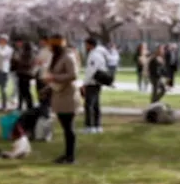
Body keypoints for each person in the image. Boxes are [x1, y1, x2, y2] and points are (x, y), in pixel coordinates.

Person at [44, 34, 79, 165]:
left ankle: (71, 156)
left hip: (68, 96)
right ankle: (67, 154)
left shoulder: (68, 57)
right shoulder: (56, 57)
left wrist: (55, 78)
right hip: (58, 94)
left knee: (69, 127)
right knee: (65, 127)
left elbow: (73, 75)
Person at [81, 37, 108, 134]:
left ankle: (89, 126)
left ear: (90, 45)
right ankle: (97, 125)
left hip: (92, 83)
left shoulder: (94, 55)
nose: (85, 46)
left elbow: (91, 71)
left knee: (89, 105)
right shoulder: (100, 54)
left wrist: (84, 83)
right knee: (96, 105)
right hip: (98, 82)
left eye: (86, 44)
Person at [11, 38, 37, 112]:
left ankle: (30, 106)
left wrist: (19, 61)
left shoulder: (30, 54)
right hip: (21, 73)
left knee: (26, 91)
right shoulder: (24, 54)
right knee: (21, 91)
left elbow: (28, 63)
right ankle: (20, 105)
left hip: (26, 74)